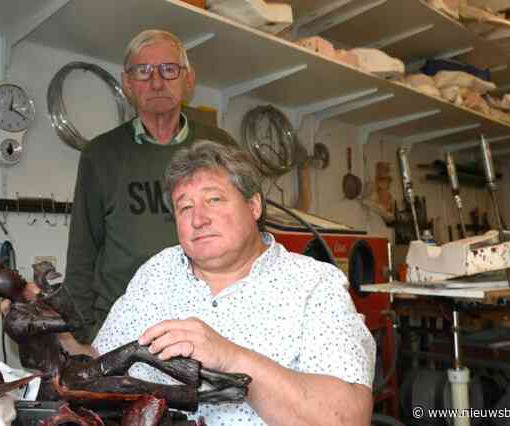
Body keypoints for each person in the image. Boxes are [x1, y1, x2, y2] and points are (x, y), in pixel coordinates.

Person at [88, 140, 376, 425]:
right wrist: (59, 341)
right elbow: (99, 365)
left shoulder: (315, 285)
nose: (198, 219)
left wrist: (231, 358)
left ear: (253, 205)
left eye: (213, 200)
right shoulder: (156, 272)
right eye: (184, 207)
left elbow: (346, 418)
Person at [66, 29, 237, 343]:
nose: (157, 82)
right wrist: (82, 335)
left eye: (169, 70)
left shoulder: (220, 146)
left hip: (208, 324)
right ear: (128, 83)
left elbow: (247, 237)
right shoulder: (101, 155)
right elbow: (82, 252)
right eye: (143, 72)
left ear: (189, 80)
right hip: (123, 327)